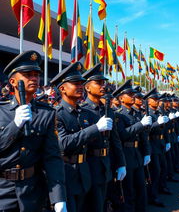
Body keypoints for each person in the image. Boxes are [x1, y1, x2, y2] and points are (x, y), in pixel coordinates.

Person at [0, 50, 67, 212]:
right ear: (13, 81)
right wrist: (15, 125)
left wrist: (58, 198)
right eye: (27, 74)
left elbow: (52, 158)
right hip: (3, 190)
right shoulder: (1, 111)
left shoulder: (47, 113)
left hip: (32, 191)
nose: (34, 78)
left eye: (36, 74)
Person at [50, 62, 113, 212]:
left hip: (85, 173)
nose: (80, 86)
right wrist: (95, 128)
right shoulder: (56, 114)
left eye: (81, 83)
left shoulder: (84, 113)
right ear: (62, 88)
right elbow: (63, 144)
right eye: (75, 83)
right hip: (67, 175)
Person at [81, 63, 126, 212]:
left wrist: (121, 163)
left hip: (106, 165)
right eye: (98, 83)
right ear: (87, 87)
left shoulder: (107, 110)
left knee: (103, 204)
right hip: (90, 166)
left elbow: (115, 140)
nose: (103, 86)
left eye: (103, 82)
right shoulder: (82, 111)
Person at [113, 81, 152, 212]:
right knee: (128, 191)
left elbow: (143, 136)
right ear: (121, 98)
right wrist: (140, 125)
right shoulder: (118, 114)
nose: (133, 97)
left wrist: (146, 152)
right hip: (126, 154)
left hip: (137, 154)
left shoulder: (136, 113)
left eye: (133, 94)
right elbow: (122, 135)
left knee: (141, 187)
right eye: (129, 94)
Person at [143, 88, 170, 207]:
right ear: (148, 101)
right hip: (152, 145)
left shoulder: (159, 112)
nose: (157, 101)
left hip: (160, 144)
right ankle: (153, 195)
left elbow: (164, 130)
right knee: (155, 171)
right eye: (154, 99)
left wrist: (166, 141)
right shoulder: (147, 114)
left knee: (163, 168)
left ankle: (160, 188)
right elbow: (146, 131)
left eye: (157, 99)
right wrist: (156, 123)